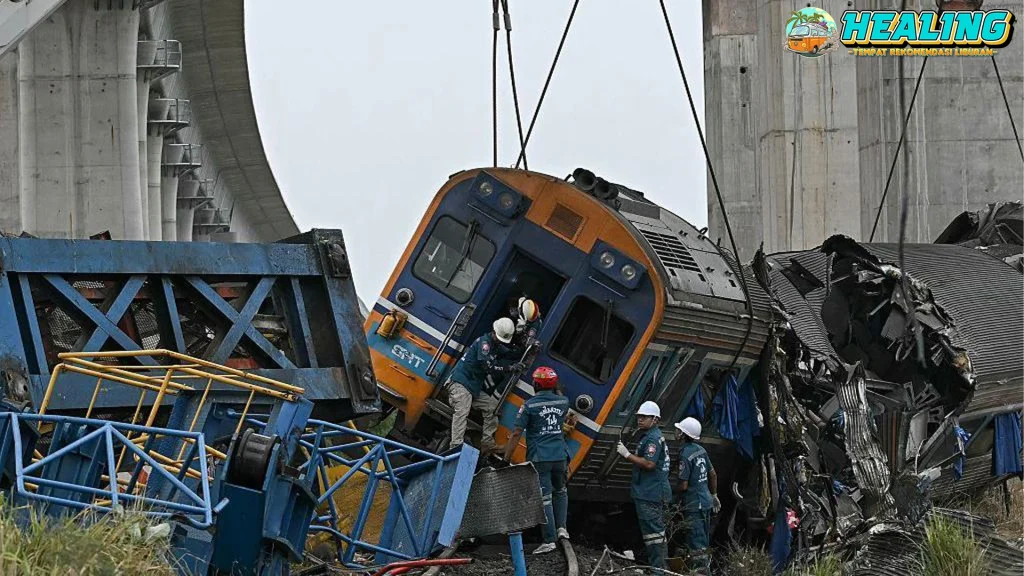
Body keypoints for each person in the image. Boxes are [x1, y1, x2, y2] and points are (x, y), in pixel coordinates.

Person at [502, 366, 570, 555]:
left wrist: (506, 458)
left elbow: (516, 433)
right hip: (560, 456)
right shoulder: (564, 402)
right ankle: (562, 529)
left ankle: (549, 540)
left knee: (545, 498)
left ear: (536, 384)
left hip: (540, 457)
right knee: (561, 491)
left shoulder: (529, 406)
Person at [446, 318, 524, 453]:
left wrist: (526, 349)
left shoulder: (495, 345)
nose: (501, 341)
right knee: (462, 410)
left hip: (472, 387)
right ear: (494, 332)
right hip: (461, 383)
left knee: (491, 408)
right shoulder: (485, 344)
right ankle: (455, 447)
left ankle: (487, 443)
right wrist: (509, 368)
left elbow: (511, 353)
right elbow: (488, 367)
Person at [616, 401, 672, 571]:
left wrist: (627, 454)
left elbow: (649, 464)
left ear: (655, 419)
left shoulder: (653, 438)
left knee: (655, 534)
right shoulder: (648, 436)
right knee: (651, 534)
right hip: (648, 491)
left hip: (651, 492)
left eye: (644, 417)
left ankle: (659, 570)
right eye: (639, 417)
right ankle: (657, 567)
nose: (640, 420)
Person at [674, 417, 719, 573]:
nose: (676, 432)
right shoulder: (701, 450)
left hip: (694, 504)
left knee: (697, 543)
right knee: (702, 540)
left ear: (684, 434)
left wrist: (674, 494)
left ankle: (701, 572)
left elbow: (684, 485)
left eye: (679, 430)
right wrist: (714, 495)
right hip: (705, 501)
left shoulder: (685, 455)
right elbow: (713, 474)